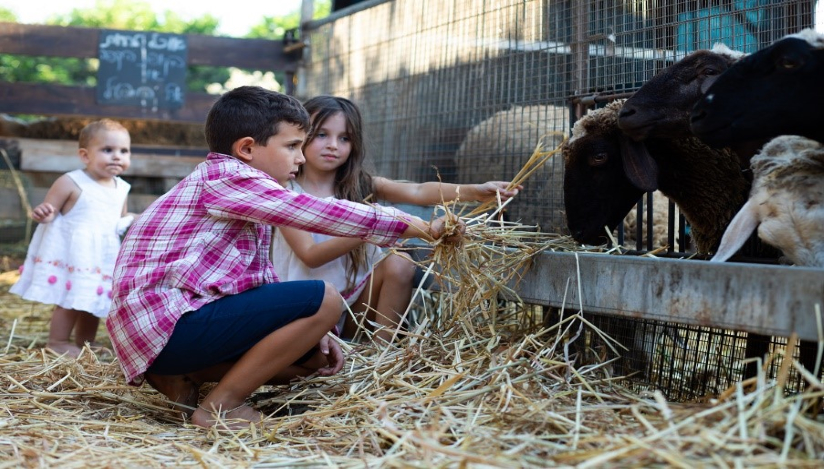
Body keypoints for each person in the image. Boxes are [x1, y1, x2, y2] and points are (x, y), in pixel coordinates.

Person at [105, 86, 463, 429]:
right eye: (292, 145)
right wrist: (413, 224)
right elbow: (319, 212)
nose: (301, 156)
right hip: (167, 325)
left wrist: (317, 329)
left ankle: (183, 377)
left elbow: (257, 279)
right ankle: (221, 407)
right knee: (325, 297)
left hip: (167, 332)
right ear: (247, 148)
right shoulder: (229, 176)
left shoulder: (243, 194)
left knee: (317, 359)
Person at [271, 96, 520, 343]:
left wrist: (474, 192)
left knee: (400, 263)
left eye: (344, 138)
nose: (333, 145)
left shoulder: (361, 186)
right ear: (301, 136)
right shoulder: (286, 193)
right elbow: (311, 254)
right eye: (322, 134)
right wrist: (375, 227)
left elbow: (418, 191)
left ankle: (379, 358)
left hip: (352, 309)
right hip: (303, 313)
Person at [10, 119, 135, 358]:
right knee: (70, 298)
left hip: (102, 253)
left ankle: (85, 342)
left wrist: (134, 218)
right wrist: (43, 213)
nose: (117, 156)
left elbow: (119, 218)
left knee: (94, 297)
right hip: (75, 253)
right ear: (85, 155)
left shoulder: (121, 188)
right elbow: (49, 212)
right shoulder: (72, 181)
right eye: (107, 150)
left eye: (124, 151)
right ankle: (57, 341)